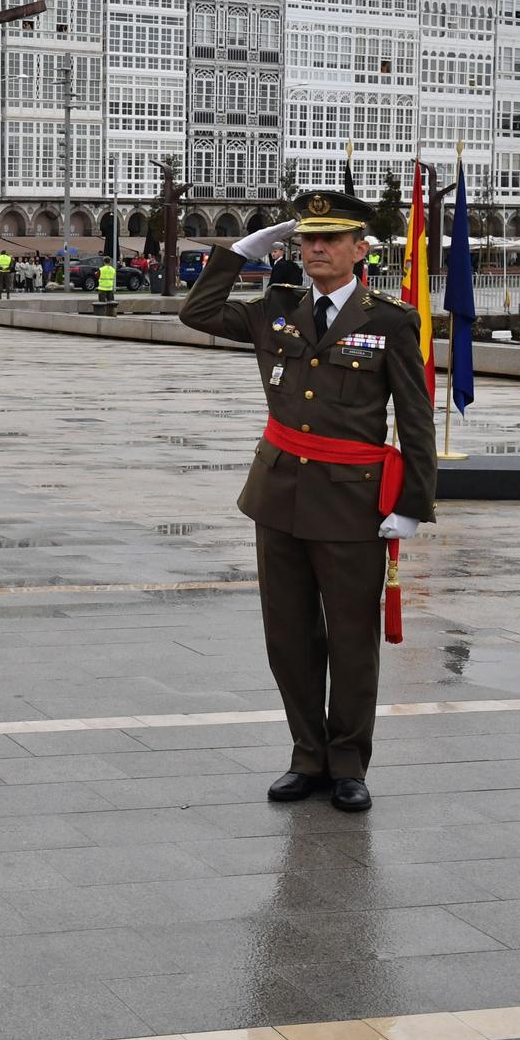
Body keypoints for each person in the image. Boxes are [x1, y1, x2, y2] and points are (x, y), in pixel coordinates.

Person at [178, 190, 436, 814]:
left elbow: (415, 418)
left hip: (352, 504)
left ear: (359, 248)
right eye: (306, 239)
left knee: (350, 639)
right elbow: (198, 313)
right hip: (278, 497)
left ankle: (348, 762)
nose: (316, 249)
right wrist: (240, 252)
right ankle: (306, 755)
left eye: (330, 239)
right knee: (287, 637)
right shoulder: (276, 308)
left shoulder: (390, 320)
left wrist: (412, 503)